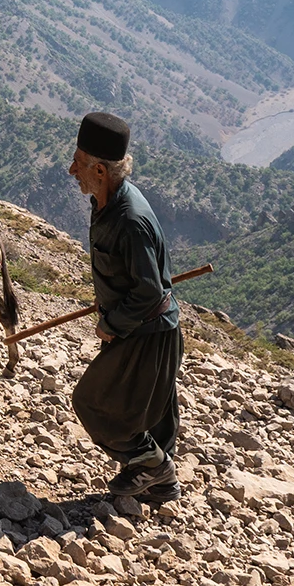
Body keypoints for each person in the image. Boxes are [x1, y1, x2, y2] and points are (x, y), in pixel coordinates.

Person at [67, 111, 184, 503]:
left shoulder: (130, 219)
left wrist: (112, 322)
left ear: (100, 170)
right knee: (153, 410)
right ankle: (162, 485)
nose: (72, 170)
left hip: (146, 332)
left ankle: (152, 465)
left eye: (79, 163)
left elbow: (149, 293)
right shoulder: (107, 202)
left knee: (92, 403)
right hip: (148, 329)